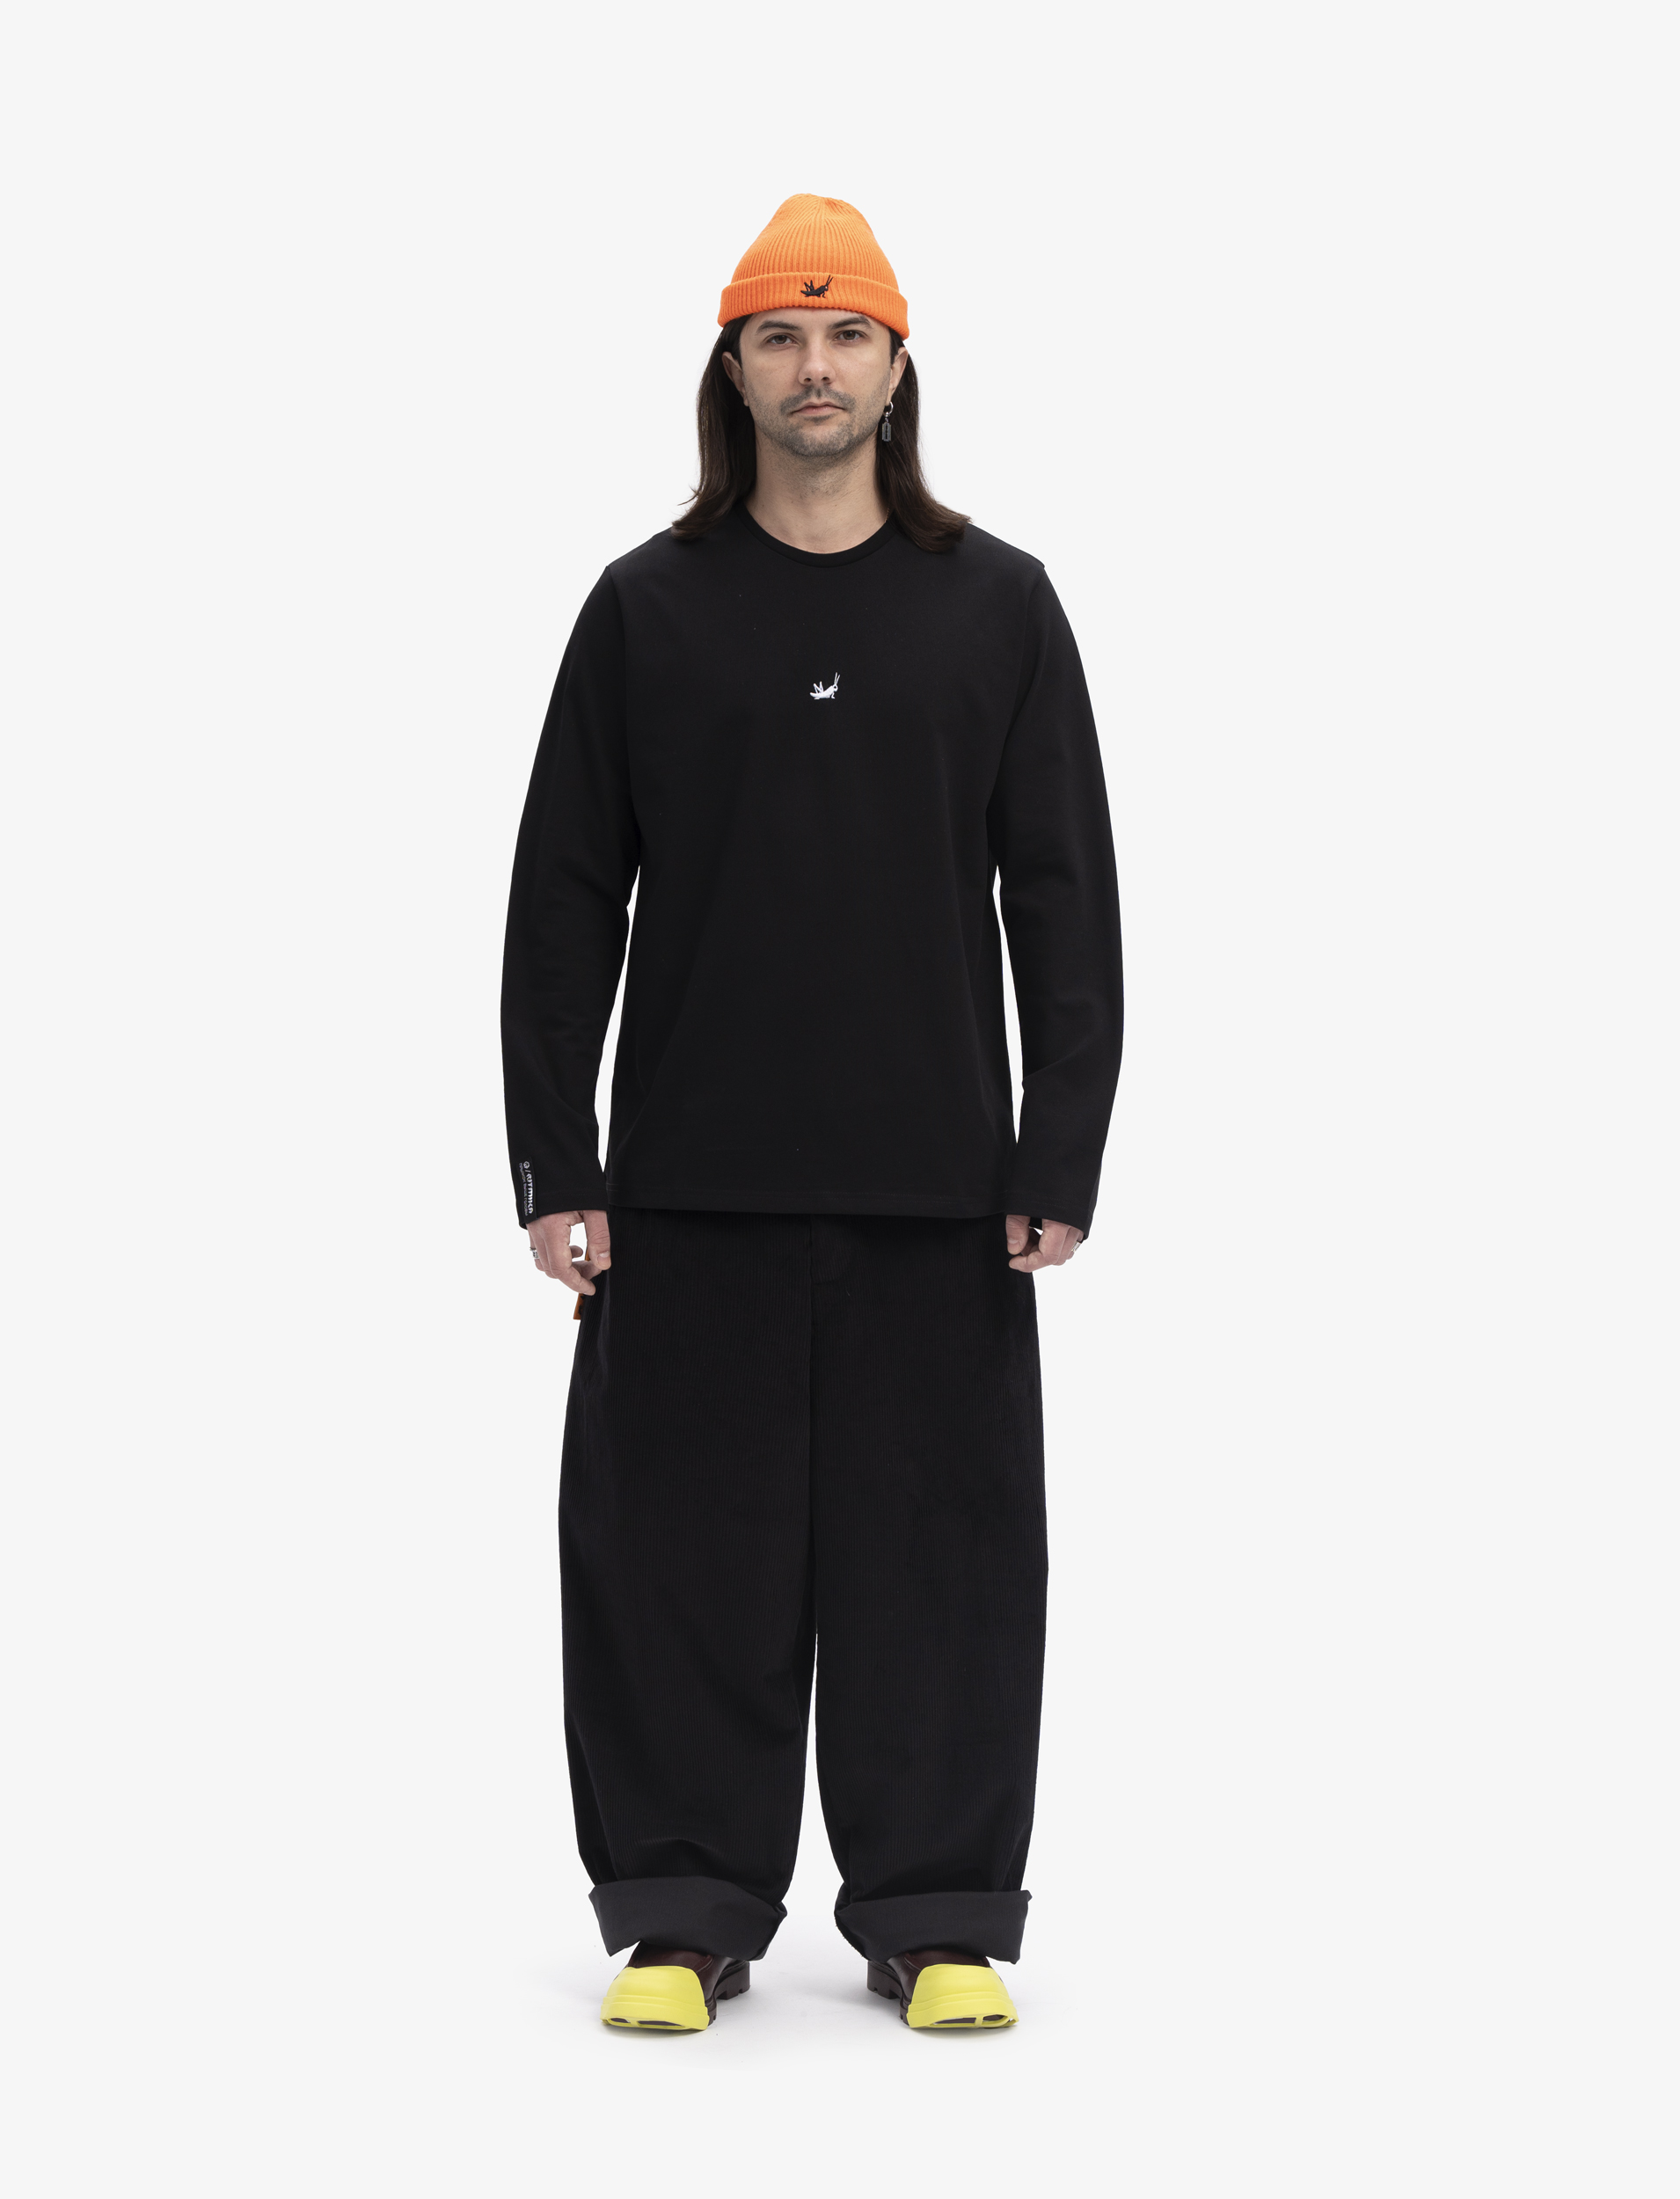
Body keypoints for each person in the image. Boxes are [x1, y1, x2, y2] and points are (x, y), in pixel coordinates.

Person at [500, 194, 1122, 2033]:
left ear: (898, 364)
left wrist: (1060, 1149)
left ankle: (936, 1910)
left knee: (946, 1563)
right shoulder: (647, 606)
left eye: (847, 334)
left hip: (938, 1187)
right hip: (688, 1186)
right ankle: (683, 1912)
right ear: (733, 368)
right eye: (779, 334)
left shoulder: (997, 605)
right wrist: (554, 1162)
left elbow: (1064, 898)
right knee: (673, 1563)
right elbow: (562, 901)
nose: (816, 364)